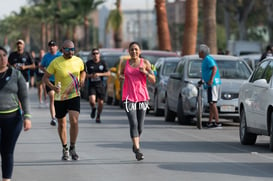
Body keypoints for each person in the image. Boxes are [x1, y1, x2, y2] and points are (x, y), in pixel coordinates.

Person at [42, 40, 86, 161]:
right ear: (62, 50)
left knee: (74, 120)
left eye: (72, 49)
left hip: (74, 95)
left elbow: (83, 71)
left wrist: (82, 79)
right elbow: (45, 78)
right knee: (61, 124)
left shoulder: (78, 60)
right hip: (60, 97)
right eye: (68, 49)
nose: (71, 51)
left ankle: (72, 146)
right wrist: (52, 87)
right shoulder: (55, 62)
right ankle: (65, 148)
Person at [119, 41, 156, 161]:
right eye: (131, 49)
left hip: (142, 97)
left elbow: (153, 80)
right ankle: (138, 149)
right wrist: (122, 78)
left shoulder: (145, 63)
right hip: (128, 97)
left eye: (136, 49)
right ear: (128, 51)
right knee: (133, 123)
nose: (134, 51)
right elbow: (120, 75)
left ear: (140, 51)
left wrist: (145, 72)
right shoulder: (125, 63)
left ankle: (135, 143)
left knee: (140, 126)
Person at [0, 46, 31, 181]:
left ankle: (6, 179)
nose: (1, 58)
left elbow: (24, 96)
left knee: (7, 152)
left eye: (4, 55)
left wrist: (27, 117)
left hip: (13, 119)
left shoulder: (16, 74)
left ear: (7, 58)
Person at [198, 44, 222, 128]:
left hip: (213, 84)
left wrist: (211, 80)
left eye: (199, 51)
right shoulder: (205, 60)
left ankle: (217, 122)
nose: (198, 53)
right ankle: (210, 122)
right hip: (210, 84)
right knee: (211, 103)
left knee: (212, 103)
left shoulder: (208, 59)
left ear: (202, 52)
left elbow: (214, 68)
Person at [40, 40, 62, 126]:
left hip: (59, 81)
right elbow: (41, 66)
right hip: (49, 80)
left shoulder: (60, 56)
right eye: (50, 46)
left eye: (53, 45)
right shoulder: (46, 56)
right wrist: (47, 71)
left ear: (57, 47)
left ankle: (59, 114)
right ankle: (53, 118)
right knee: (52, 97)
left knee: (60, 99)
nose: (51, 47)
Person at [85, 48, 110, 123]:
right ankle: (93, 108)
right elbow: (84, 74)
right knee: (92, 101)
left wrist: (99, 74)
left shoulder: (103, 63)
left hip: (100, 85)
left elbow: (108, 73)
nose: (95, 55)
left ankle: (98, 116)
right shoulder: (88, 63)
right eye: (94, 54)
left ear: (99, 54)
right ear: (92, 55)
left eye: (97, 53)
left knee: (101, 103)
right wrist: (90, 76)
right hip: (92, 85)